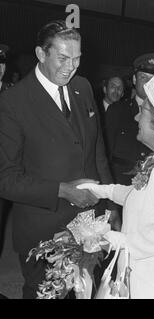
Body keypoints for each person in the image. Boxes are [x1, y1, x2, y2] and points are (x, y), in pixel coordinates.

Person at [0, 20, 118, 298]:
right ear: (41, 54)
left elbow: (97, 151)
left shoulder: (83, 87)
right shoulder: (13, 103)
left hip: (90, 227)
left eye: (77, 59)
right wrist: (62, 191)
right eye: (63, 58)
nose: (71, 66)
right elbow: (5, 179)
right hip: (43, 234)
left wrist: (111, 204)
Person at [78, 71, 154, 298]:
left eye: (142, 112)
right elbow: (146, 197)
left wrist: (124, 241)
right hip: (148, 273)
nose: (136, 118)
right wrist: (104, 190)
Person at [105, 53, 154, 185]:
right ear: (134, 79)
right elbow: (106, 151)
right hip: (121, 182)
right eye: (143, 77)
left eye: (153, 79)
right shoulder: (117, 110)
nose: (148, 83)